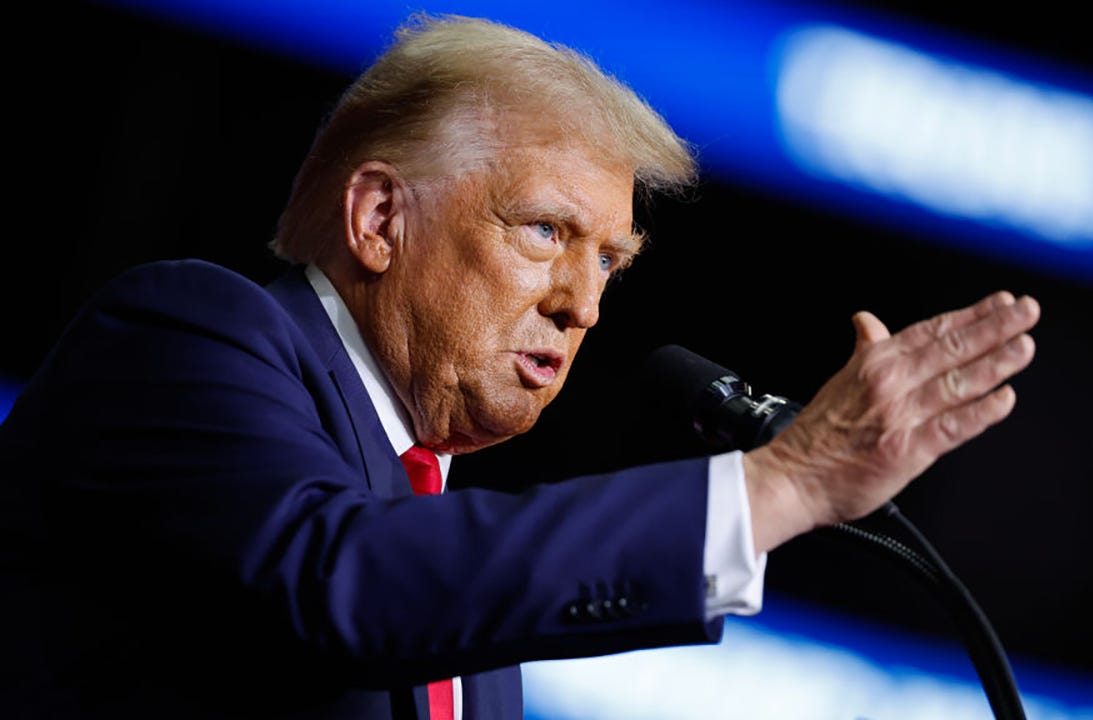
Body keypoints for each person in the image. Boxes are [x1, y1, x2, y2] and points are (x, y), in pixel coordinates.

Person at [0, 13, 1040, 720]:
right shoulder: (184, 336)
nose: (583, 305)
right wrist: (783, 484)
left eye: (610, 262)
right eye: (545, 231)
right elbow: (343, 577)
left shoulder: (477, 629)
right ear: (378, 218)